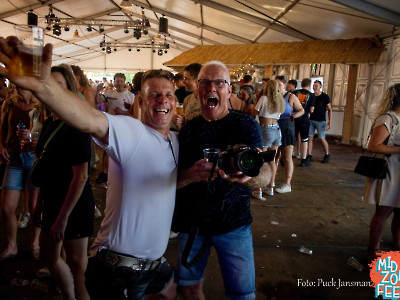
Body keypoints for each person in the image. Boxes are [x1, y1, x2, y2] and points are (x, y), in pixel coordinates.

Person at [0, 36, 177, 299]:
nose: (163, 100)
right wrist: (43, 86)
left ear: (176, 101)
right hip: (120, 270)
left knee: (176, 292)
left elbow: (172, 178)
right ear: (140, 101)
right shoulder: (132, 132)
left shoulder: (174, 140)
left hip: (155, 264)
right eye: (154, 95)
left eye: (168, 95)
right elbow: (91, 119)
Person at [173, 61, 263, 300]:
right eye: (204, 82)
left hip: (234, 225)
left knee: (242, 295)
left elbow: (267, 174)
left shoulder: (246, 125)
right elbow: (173, 183)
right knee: (188, 289)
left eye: (219, 83)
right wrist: (190, 175)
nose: (211, 87)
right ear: (197, 90)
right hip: (194, 225)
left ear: (229, 90)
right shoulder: (188, 131)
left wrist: (248, 176)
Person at [34, 64, 94, 300]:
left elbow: (81, 177)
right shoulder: (50, 121)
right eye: (49, 85)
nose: (52, 90)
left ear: (69, 89)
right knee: (50, 256)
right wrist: (39, 204)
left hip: (74, 206)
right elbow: (47, 166)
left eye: (59, 85)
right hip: (52, 199)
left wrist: (63, 217)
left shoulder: (76, 124)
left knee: (78, 268)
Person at [0, 87, 40, 261]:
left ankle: (35, 243)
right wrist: (1, 146)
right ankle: (12, 246)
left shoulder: (40, 103)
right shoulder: (9, 103)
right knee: (7, 207)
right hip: (14, 157)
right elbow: (1, 128)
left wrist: (36, 140)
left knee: (34, 207)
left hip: (33, 158)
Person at [364, 83, 400, 261]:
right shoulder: (388, 119)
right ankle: (373, 250)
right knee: (384, 210)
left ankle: (397, 244)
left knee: (398, 211)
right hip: (389, 170)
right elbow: (373, 146)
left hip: (397, 170)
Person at [95, 72, 135, 184]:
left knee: (122, 149)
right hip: (110, 124)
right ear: (114, 82)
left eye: (121, 81)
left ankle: (120, 173)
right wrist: (98, 90)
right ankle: (104, 172)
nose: (119, 83)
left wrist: (124, 112)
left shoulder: (131, 96)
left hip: (125, 126)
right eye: (117, 81)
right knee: (107, 148)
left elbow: (134, 113)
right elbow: (97, 101)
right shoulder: (109, 93)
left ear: (124, 82)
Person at [251, 80, 285, 196]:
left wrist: (256, 98)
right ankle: (270, 187)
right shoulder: (280, 100)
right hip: (277, 129)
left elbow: (252, 113)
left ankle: (258, 189)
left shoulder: (263, 99)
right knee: (272, 160)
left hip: (265, 129)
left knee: (260, 159)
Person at [274, 76, 304, 194]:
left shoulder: (291, 97)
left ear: (285, 85)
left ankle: (287, 184)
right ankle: (271, 181)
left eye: (279, 84)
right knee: (274, 157)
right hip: (275, 127)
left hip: (287, 127)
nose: (277, 87)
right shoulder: (274, 97)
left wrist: (294, 115)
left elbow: (301, 110)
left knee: (286, 157)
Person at [172, 63, 202, 131]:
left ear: (197, 80)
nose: (184, 81)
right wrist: (178, 123)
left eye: (186, 78)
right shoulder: (187, 100)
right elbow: (183, 130)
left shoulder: (209, 101)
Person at [308, 80, 332, 163]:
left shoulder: (325, 97)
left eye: (316, 86)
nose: (314, 87)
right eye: (313, 86)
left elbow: (329, 109)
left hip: (321, 121)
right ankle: (309, 155)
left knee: (322, 138)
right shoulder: (311, 96)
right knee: (310, 138)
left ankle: (327, 154)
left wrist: (330, 121)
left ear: (320, 87)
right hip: (311, 120)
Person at [293, 78, 315, 167]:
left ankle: (287, 157)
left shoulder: (295, 93)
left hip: (294, 118)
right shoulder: (311, 95)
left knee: (293, 139)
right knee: (304, 139)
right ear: (309, 86)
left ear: (301, 84)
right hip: (304, 119)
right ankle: (303, 159)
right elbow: (311, 110)